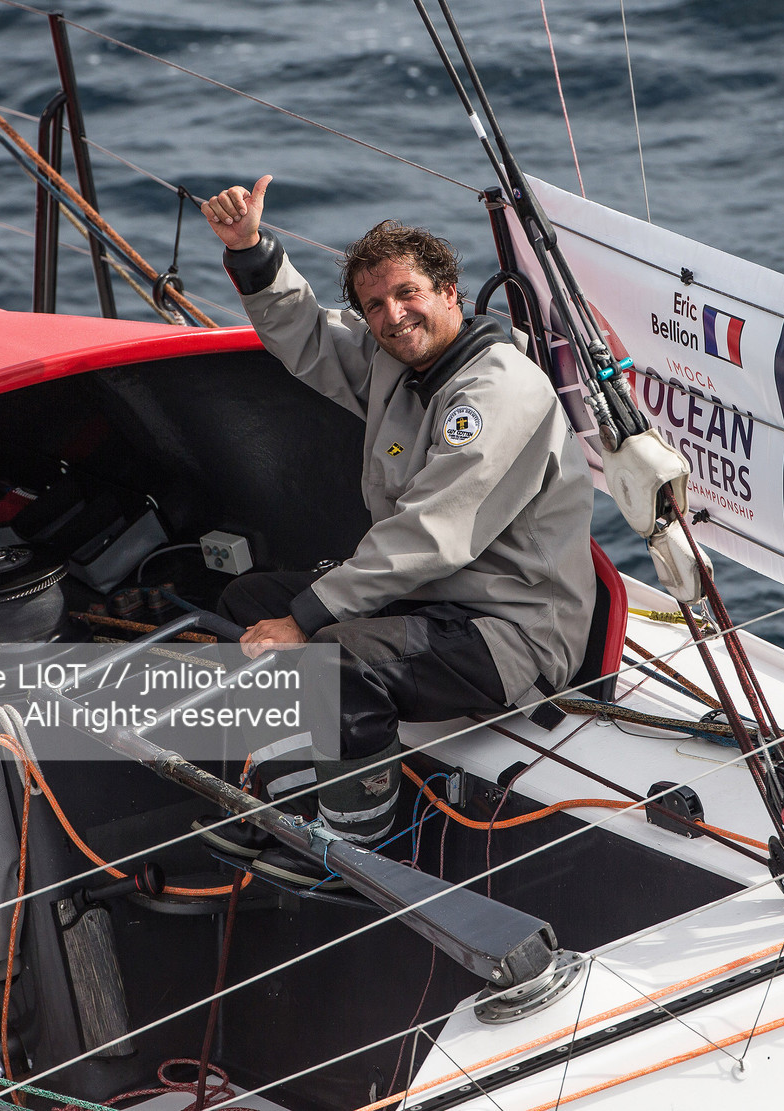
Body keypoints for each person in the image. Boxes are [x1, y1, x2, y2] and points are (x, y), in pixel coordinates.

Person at [199, 174, 596, 854]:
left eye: (406, 293)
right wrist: (251, 250)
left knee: (331, 655)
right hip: (433, 602)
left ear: (449, 293)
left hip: (512, 632)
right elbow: (312, 340)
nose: (391, 316)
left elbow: (429, 537)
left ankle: (353, 847)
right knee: (246, 599)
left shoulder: (497, 391)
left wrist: (306, 617)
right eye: (374, 303)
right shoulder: (398, 363)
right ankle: (297, 767)